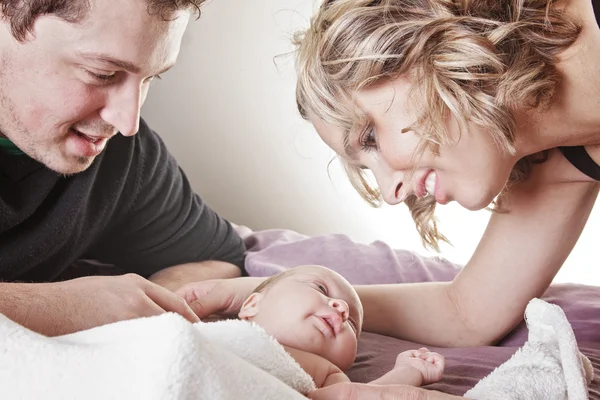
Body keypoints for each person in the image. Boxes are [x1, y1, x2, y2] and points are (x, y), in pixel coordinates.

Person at [177, 0, 600, 398]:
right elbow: (467, 313)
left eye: (369, 137)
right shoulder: (558, 163)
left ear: (419, 45)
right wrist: (271, 294)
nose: (390, 194)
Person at [0, 0, 246, 337]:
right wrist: (61, 308)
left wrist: (144, 311)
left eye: (150, 78)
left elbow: (217, 259)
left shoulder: (122, 157)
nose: (127, 121)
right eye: (101, 74)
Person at [237, 265, 445, 389]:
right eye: (321, 288)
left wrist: (409, 371)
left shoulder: (326, 374)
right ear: (252, 305)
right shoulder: (218, 332)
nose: (342, 308)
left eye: (352, 325)